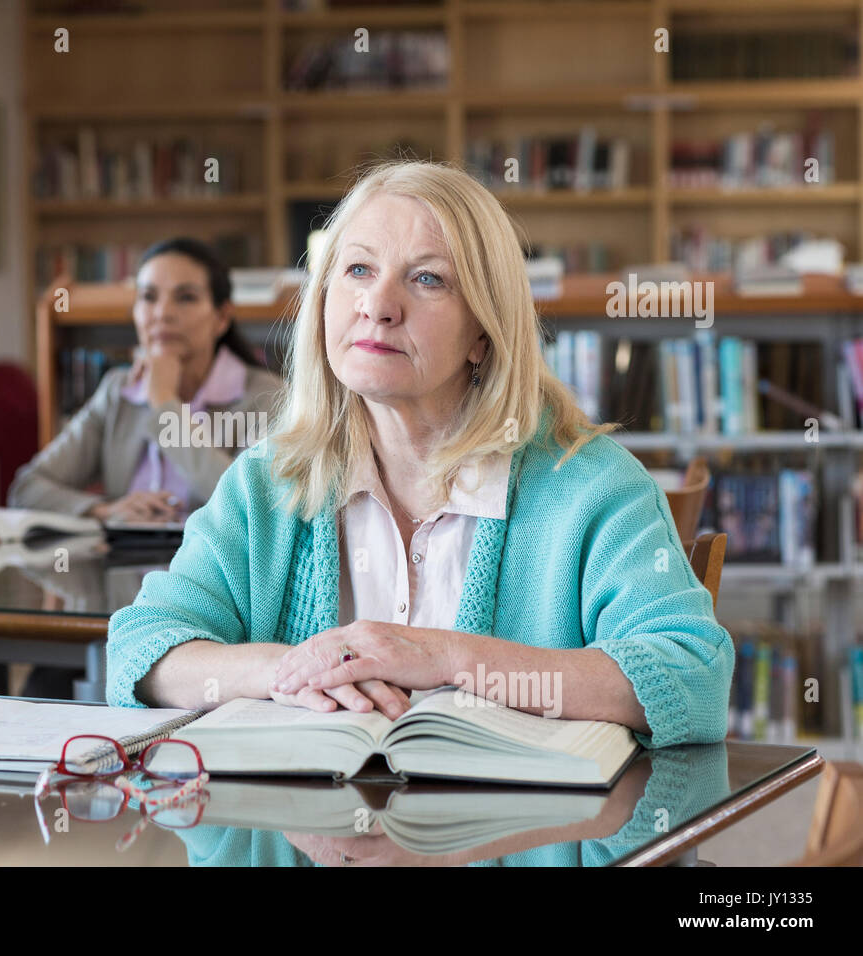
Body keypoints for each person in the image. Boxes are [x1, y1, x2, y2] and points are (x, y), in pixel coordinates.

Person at [106, 160, 734, 752]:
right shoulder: (268, 483)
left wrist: (449, 658)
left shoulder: (591, 487)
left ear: (483, 334)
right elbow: (143, 648)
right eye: (356, 270)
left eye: (427, 278)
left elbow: (692, 677)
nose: (377, 305)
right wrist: (292, 670)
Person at [8, 237, 282, 522]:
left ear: (222, 317)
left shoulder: (267, 397)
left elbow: (249, 511)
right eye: (149, 297)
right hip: (126, 562)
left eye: (186, 297)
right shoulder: (118, 390)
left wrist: (165, 403)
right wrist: (104, 511)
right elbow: (27, 489)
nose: (163, 314)